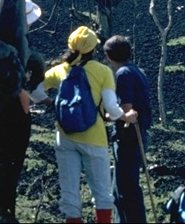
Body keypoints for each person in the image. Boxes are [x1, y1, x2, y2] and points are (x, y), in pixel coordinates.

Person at [37, 26, 137, 224]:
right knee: (101, 192)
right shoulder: (103, 71)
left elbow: (33, 88)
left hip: (64, 137)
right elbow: (111, 107)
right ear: (94, 49)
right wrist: (127, 117)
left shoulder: (60, 70)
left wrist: (49, 103)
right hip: (94, 138)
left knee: (69, 191)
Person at [0, 0, 45, 221]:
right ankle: (5, 212)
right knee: (11, 167)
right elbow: (24, 93)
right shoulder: (27, 55)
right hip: (15, 117)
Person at [103, 35, 152, 223]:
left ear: (108, 56)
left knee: (127, 189)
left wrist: (103, 116)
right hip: (135, 136)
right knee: (122, 187)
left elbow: (126, 109)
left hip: (128, 137)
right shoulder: (136, 70)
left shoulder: (122, 74)